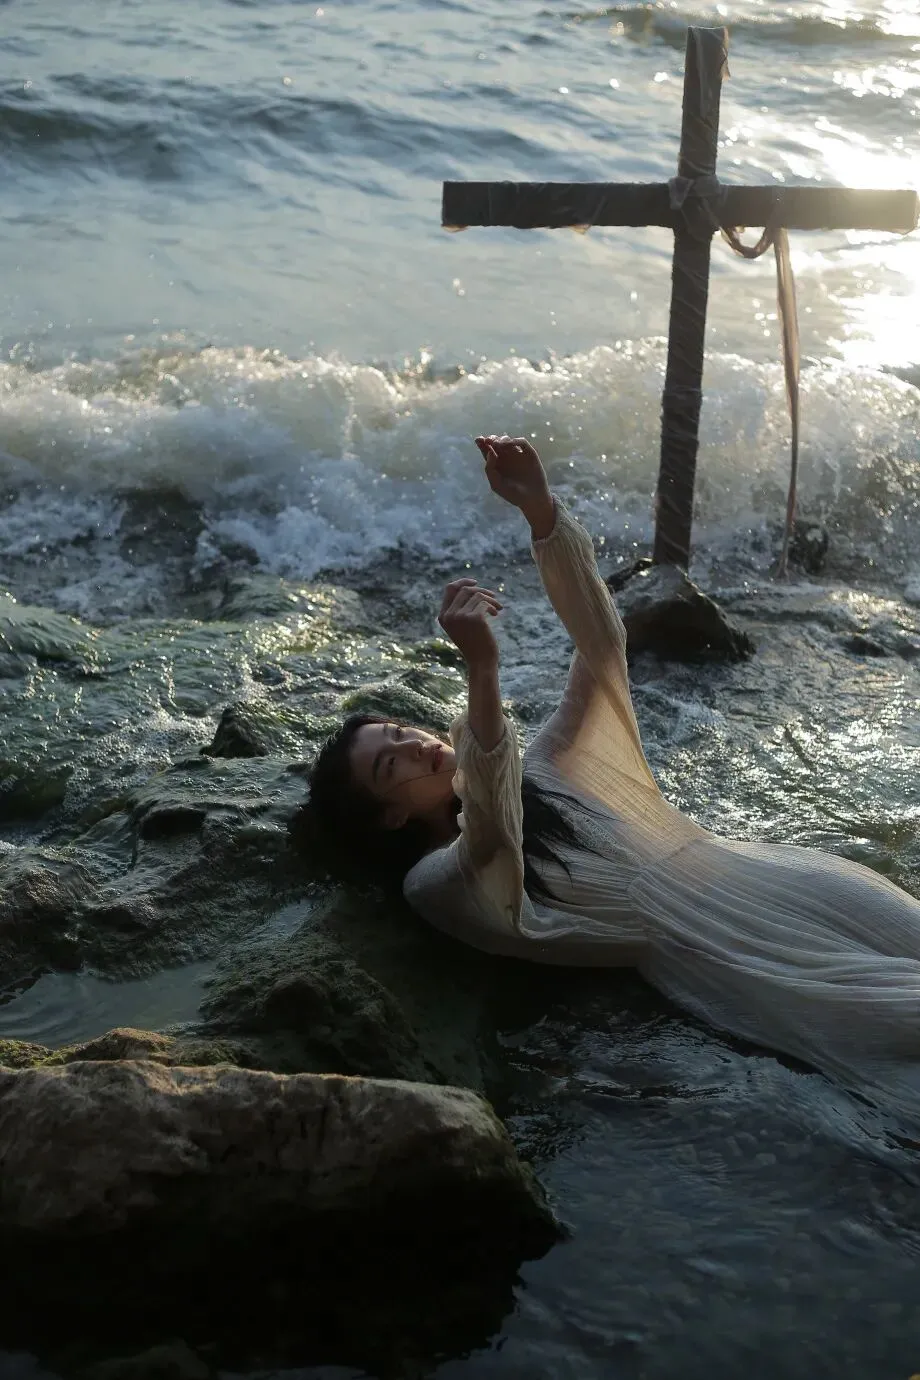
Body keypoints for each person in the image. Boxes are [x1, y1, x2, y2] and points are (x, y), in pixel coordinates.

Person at [308, 435, 920, 1125]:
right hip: (724, 956)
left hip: (778, 877)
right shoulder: (435, 884)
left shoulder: (547, 770)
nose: (417, 747)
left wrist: (544, 516)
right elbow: (491, 825)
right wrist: (482, 669)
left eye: (401, 732)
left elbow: (601, 650)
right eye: (391, 764)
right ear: (388, 817)